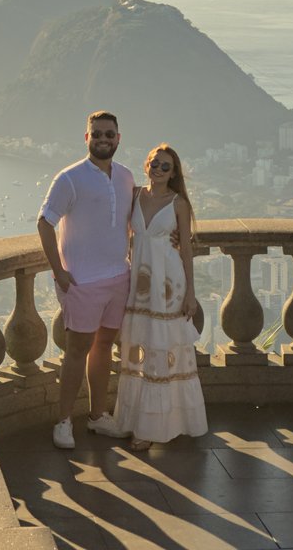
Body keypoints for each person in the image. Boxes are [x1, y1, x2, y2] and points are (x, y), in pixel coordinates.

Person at [37, 110, 133, 449]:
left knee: (104, 348)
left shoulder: (125, 177)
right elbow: (44, 223)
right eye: (97, 134)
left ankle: (97, 417)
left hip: (118, 277)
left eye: (109, 134)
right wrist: (59, 271)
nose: (103, 139)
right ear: (86, 137)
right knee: (77, 351)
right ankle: (63, 422)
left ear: (118, 138)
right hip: (82, 283)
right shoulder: (69, 178)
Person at [113, 143, 208, 450]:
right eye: (154, 164)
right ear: (146, 166)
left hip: (169, 285)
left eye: (165, 166)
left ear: (174, 172)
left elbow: (187, 249)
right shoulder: (135, 196)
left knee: (161, 349)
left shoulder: (178, 203)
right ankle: (134, 420)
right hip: (140, 284)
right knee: (139, 349)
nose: (158, 170)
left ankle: (152, 427)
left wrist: (190, 293)